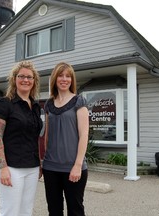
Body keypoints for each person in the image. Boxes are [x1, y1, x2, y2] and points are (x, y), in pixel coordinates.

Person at [0, 61, 43, 216]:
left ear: (34, 81)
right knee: (10, 211)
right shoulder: (4, 103)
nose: (25, 80)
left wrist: (39, 163)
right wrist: (3, 168)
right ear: (14, 79)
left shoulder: (35, 106)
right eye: (21, 76)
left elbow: (35, 138)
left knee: (26, 211)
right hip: (11, 167)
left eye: (29, 77)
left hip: (32, 167)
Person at [42, 62, 89, 216]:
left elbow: (84, 135)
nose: (64, 79)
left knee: (75, 210)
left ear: (72, 79)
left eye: (68, 76)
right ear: (55, 79)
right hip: (50, 167)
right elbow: (47, 135)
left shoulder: (79, 101)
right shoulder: (49, 104)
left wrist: (77, 165)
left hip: (72, 167)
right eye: (61, 75)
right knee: (54, 210)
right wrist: (43, 161)